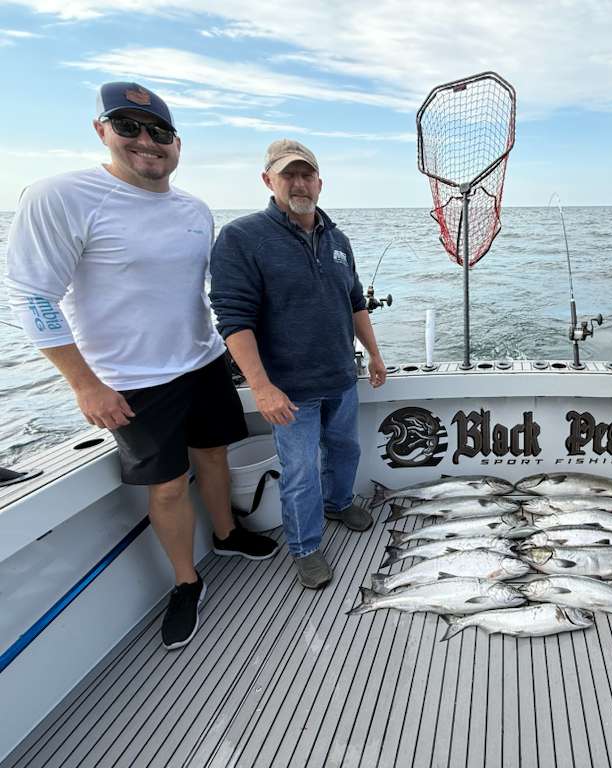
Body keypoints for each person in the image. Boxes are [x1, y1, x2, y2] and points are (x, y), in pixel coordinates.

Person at [4, 82, 279, 651]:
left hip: (203, 364)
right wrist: (85, 384)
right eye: (128, 127)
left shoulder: (194, 210)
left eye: (159, 132)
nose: (146, 142)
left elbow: (211, 291)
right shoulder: (60, 195)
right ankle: (186, 580)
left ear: (177, 144)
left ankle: (226, 534)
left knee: (214, 455)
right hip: (130, 382)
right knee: (170, 487)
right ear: (101, 131)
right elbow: (31, 296)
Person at [210, 139, 387, 590]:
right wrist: (262, 387)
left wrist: (374, 353)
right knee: (301, 471)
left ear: (320, 183)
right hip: (289, 390)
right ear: (268, 181)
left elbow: (355, 302)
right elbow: (233, 318)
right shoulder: (241, 237)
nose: (299, 183)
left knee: (346, 450)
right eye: (288, 174)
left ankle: (339, 503)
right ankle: (306, 547)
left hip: (341, 378)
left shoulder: (337, 238)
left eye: (306, 174)